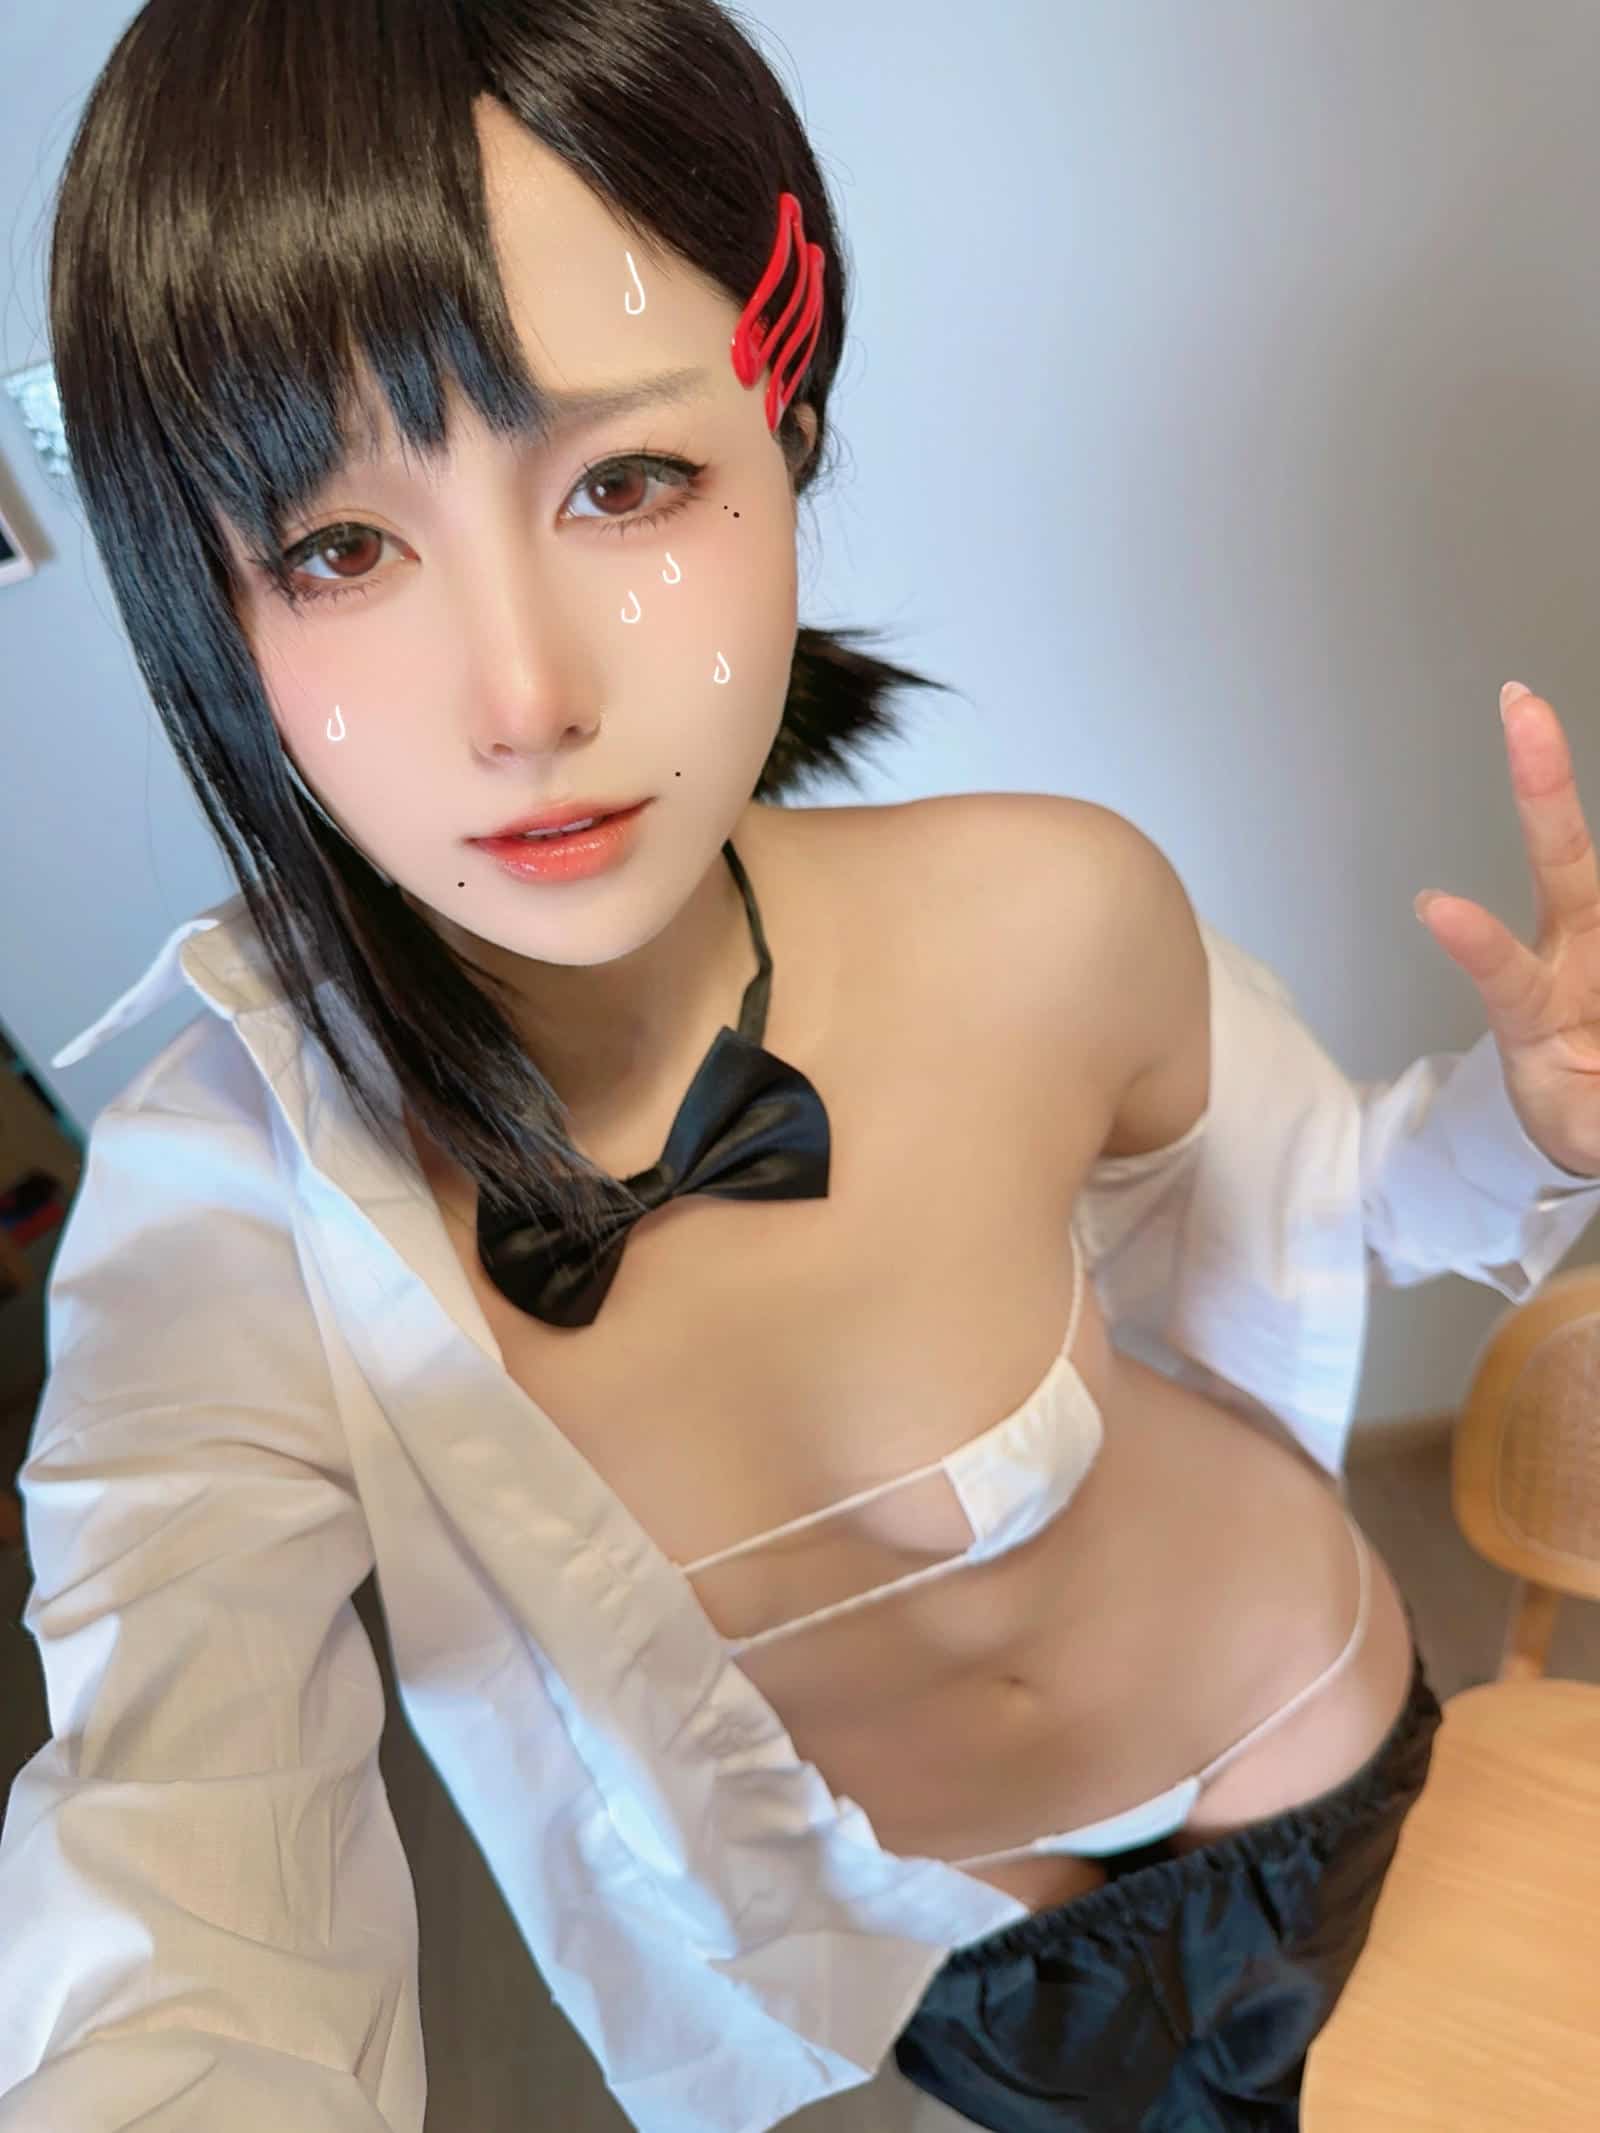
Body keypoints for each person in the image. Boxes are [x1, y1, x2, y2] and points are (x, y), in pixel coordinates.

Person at [3, 4, 1599, 2130]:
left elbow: (1332, 1196)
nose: (522, 695)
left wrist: (1528, 1119)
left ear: (788, 435)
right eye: (337, 547)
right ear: (203, 600)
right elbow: (174, 1827)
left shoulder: (1040, 907)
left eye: (627, 481)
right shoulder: (234, 1220)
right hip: (935, 1945)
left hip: (1300, 1722)